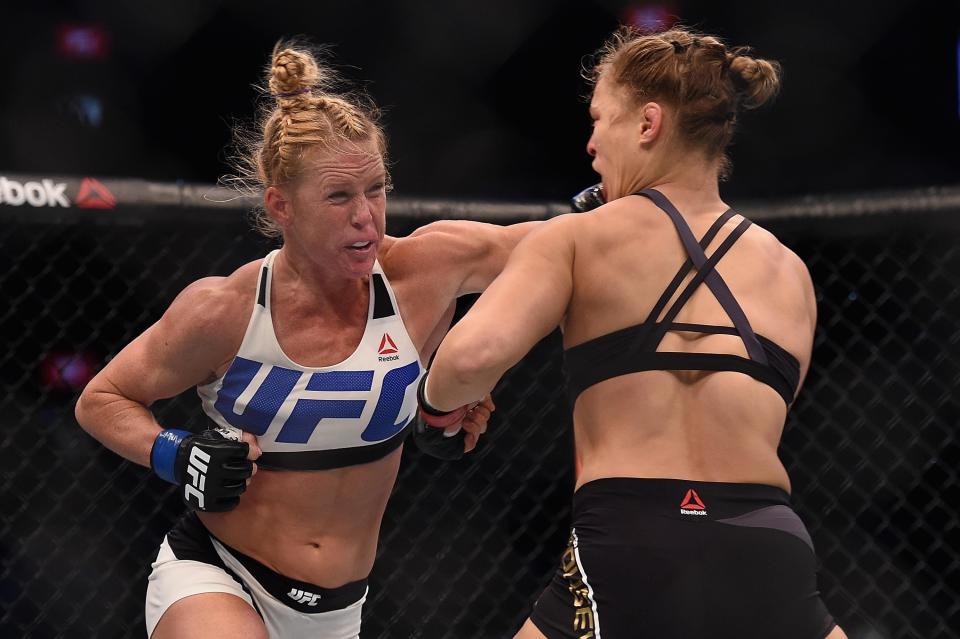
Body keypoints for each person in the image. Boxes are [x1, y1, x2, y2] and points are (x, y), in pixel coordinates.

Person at [75, 42, 537, 639]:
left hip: (341, 609)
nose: (366, 217)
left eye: (375, 189)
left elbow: (560, 251)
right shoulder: (226, 310)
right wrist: (178, 452)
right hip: (221, 577)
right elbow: (101, 399)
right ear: (281, 206)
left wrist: (442, 405)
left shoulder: (427, 271)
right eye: (339, 196)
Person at [418, 27, 848, 639]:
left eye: (600, 120)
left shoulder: (579, 237)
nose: (591, 144)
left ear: (648, 124)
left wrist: (437, 415)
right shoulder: (789, 271)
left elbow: (471, 355)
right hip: (766, 546)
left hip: (635, 536)